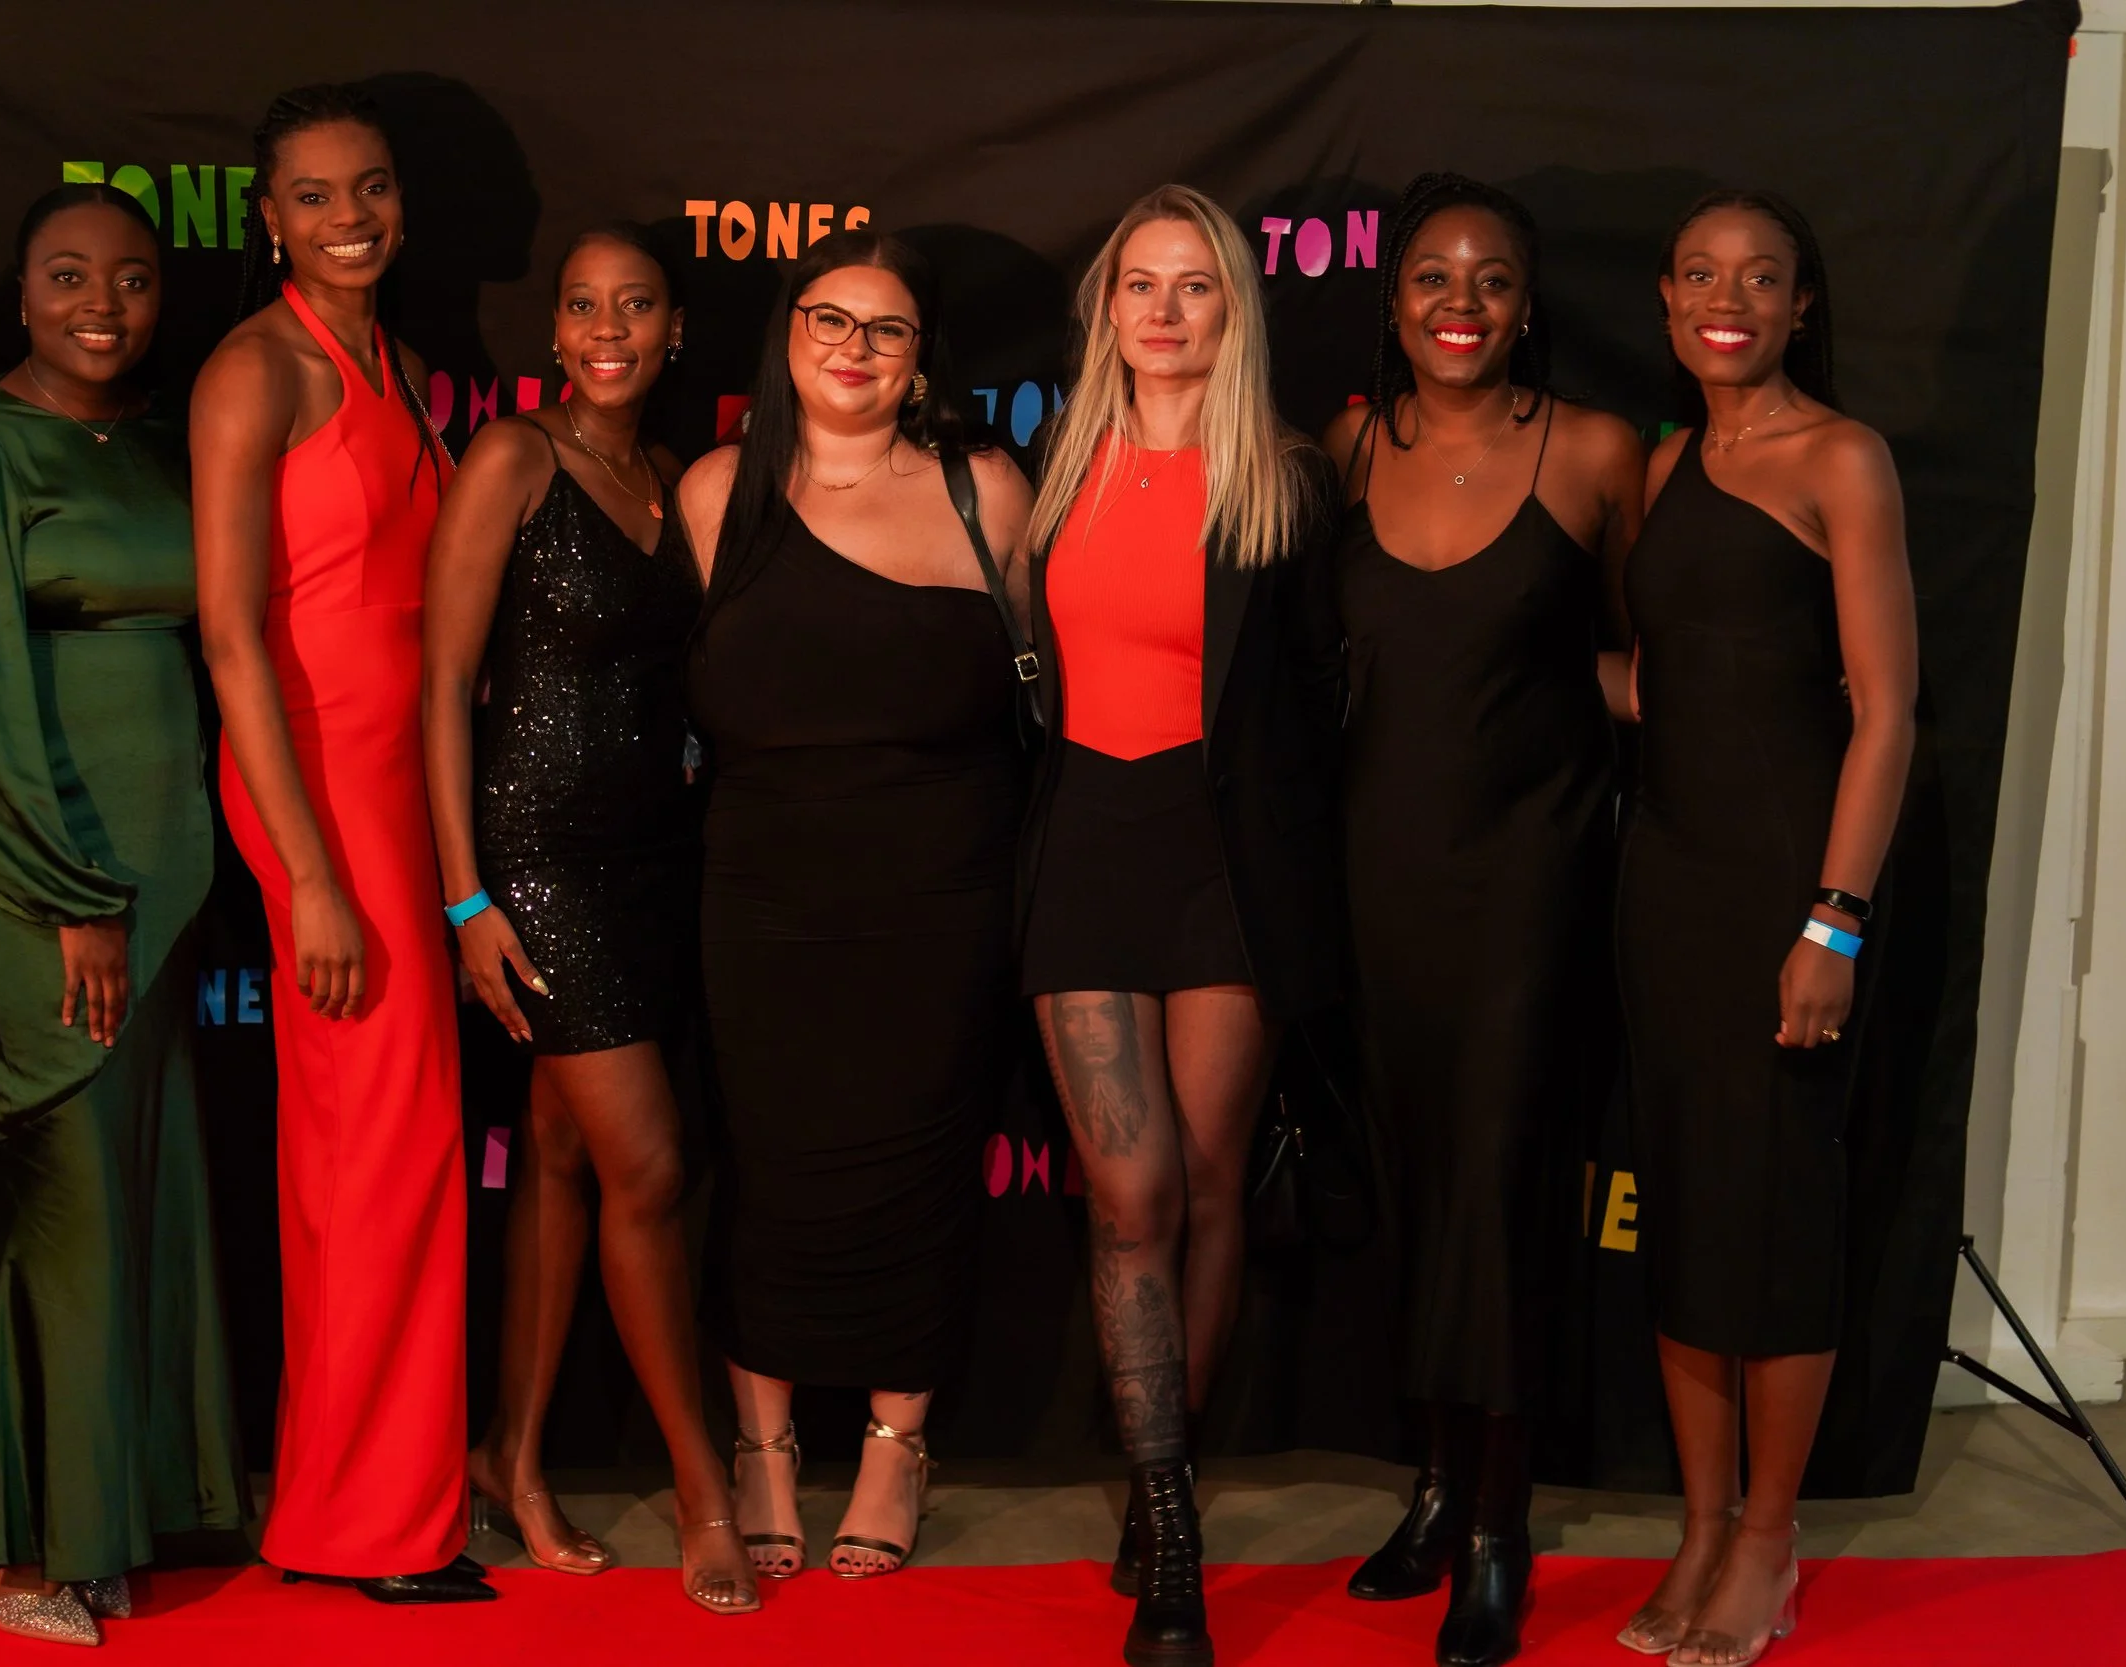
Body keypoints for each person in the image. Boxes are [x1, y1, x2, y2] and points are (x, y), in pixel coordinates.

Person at [0, 183, 247, 1647]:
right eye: (67, 275)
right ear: (22, 289)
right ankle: (28, 1541)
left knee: (142, 1195)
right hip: (40, 884)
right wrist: (66, 897)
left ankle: (127, 1508)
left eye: (132, 277)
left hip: (167, 881)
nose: (103, 303)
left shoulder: (168, 444)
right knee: (70, 1214)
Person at [676, 229, 1034, 1583]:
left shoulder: (981, 487)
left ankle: (897, 1439)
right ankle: (762, 1445)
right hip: (761, 892)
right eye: (829, 318)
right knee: (767, 1164)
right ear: (787, 332)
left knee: (923, 1162)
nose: (853, 348)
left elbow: (1053, 686)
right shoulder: (718, 491)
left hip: (942, 894)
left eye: (886, 329)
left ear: (921, 357)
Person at [1317, 175, 1641, 1667]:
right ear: (1393, 304)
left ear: (1527, 305)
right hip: (1378, 881)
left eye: (1492, 278)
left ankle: (1500, 1528)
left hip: (1532, 880)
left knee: (1504, 1191)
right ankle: (1440, 1484)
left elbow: (1643, 659)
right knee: (1418, 1183)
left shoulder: (1592, 453)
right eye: (1434, 277)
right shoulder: (1346, 445)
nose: (1461, 301)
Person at [1020, 184, 1341, 1667]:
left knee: (1208, 1177)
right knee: (1131, 1191)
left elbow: (1330, 701)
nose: (1162, 309)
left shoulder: (1280, 476)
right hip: (1089, 847)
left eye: (1194, 286)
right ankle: (1165, 1498)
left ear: (1233, 309)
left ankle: (1170, 1518)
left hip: (1229, 864)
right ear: (1107, 309)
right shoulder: (1055, 464)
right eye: (1138, 283)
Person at [421, 223, 755, 1615]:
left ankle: (512, 1450)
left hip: (652, 860)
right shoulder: (513, 459)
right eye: (581, 306)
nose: (607, 327)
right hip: (538, 863)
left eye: (635, 306)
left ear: (675, 331)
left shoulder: (674, 480)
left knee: (561, 1156)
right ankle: (704, 1486)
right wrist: (466, 894)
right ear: (553, 332)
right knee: (653, 1166)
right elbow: (439, 687)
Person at [191, 84, 488, 1604]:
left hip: (393, 783)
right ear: (268, 217)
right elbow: (234, 638)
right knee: (378, 1151)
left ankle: (369, 1501)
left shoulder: (410, 372)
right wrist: (304, 867)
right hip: (317, 789)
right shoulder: (256, 373)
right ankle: (356, 1527)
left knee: (386, 1151)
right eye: (311, 195)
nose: (348, 217)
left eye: (367, 188)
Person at [1613, 190, 1916, 1667]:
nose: (1726, 297)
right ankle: (1699, 1521)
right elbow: (1670, 686)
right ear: (1667, 301)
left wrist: (1835, 924)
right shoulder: (1672, 462)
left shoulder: (1842, 457)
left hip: (1793, 899)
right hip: (1664, 892)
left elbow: (1886, 712)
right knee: (1683, 1212)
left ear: (1802, 305)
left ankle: (1771, 1538)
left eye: (1762, 277)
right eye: (1700, 274)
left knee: (1778, 1222)